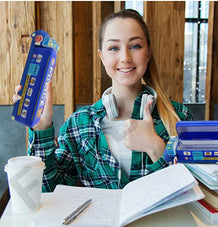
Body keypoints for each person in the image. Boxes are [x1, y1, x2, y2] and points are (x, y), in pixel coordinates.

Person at [13, 9, 193, 192]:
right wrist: (42, 128)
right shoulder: (79, 124)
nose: (125, 58)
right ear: (102, 56)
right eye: (114, 48)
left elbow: (192, 193)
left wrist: (155, 147)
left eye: (135, 46)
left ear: (148, 53)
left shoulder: (179, 117)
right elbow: (46, 190)